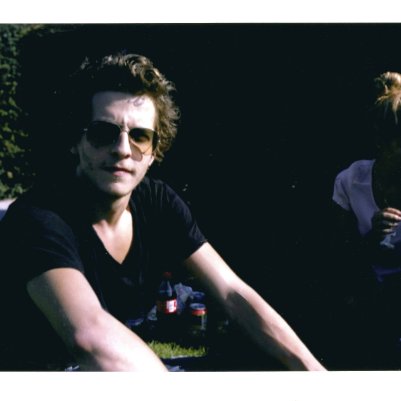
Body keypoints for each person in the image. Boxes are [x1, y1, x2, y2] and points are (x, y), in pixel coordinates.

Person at [0, 52, 325, 372]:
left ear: (154, 151)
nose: (123, 149)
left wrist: (314, 373)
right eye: (103, 133)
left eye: (140, 137)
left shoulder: (157, 201)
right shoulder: (37, 218)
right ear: (76, 140)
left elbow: (232, 293)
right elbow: (89, 336)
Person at [331, 71, 401, 369]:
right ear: (383, 141)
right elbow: (343, 256)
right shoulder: (350, 181)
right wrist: (373, 236)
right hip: (368, 292)